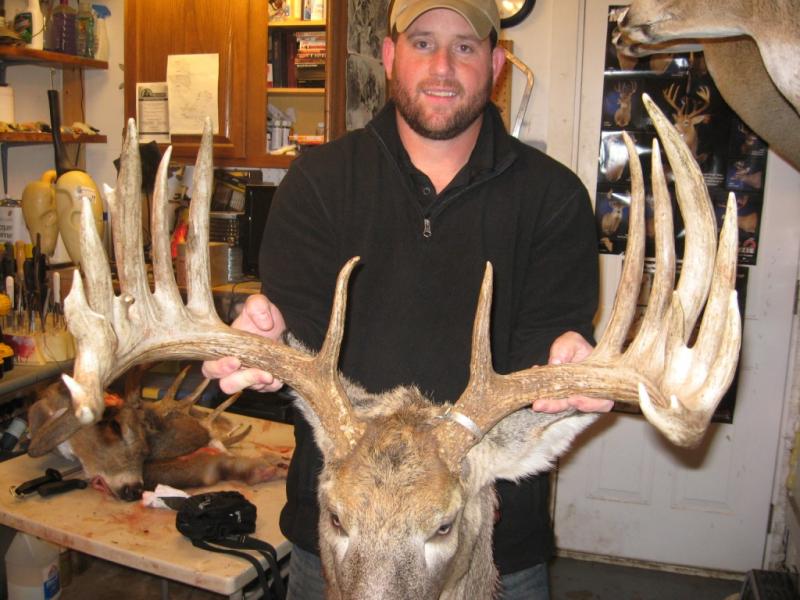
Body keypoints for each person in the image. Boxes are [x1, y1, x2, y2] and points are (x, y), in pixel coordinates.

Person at [203, 0, 613, 597]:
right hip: (342, 539)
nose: (443, 66)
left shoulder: (554, 198)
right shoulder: (319, 181)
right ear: (391, 55)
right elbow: (299, 329)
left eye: (465, 47)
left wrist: (568, 360)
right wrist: (267, 343)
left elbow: (550, 340)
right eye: (423, 43)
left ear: (497, 63)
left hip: (492, 541)